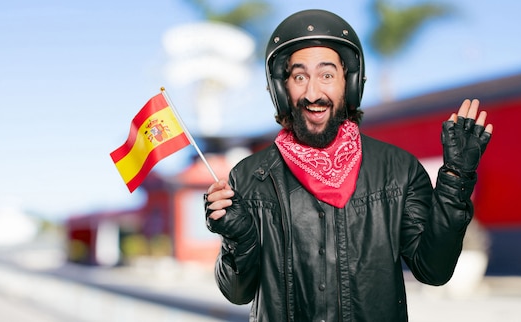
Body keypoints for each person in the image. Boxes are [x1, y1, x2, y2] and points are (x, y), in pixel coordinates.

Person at [204, 9, 493, 322]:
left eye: (327, 75)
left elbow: (434, 270)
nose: (313, 93)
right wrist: (239, 238)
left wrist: (456, 178)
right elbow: (236, 293)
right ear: (282, 88)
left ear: (350, 82)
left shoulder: (399, 170)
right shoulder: (248, 178)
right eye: (300, 77)